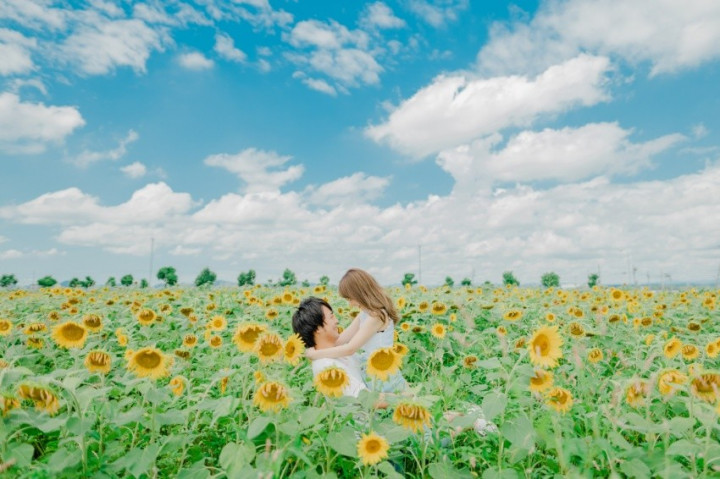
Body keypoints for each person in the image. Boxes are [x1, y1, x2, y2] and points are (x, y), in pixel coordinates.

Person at [305, 268, 407, 393]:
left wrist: (315, 355)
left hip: (383, 376)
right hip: (371, 372)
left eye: (350, 299)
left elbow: (350, 348)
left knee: (387, 408)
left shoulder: (377, 316)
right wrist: (313, 347)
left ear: (360, 293)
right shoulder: (364, 314)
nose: (350, 304)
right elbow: (341, 340)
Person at [292, 296, 368, 398]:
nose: (336, 321)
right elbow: (368, 399)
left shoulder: (337, 351)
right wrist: (396, 398)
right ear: (318, 328)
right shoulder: (325, 366)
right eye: (331, 317)